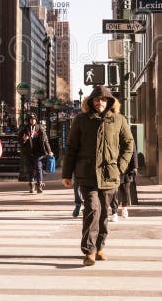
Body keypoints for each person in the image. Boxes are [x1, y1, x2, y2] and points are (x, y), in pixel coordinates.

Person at [62, 85, 134, 267]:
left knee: (103, 213)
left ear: (110, 101)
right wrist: (67, 173)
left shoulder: (119, 120)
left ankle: (100, 246)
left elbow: (129, 145)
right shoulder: (80, 120)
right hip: (86, 174)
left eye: (103, 99)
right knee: (92, 210)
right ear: (90, 101)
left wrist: (120, 167)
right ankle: (89, 250)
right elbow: (71, 148)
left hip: (110, 175)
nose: (99, 102)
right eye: (96, 99)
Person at [18, 113, 53, 193]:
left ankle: (39, 186)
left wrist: (49, 151)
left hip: (38, 152)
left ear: (35, 120)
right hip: (28, 152)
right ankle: (31, 185)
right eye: (31, 119)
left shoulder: (40, 128)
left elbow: (45, 141)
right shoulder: (25, 129)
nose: (32, 120)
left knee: (38, 168)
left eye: (33, 119)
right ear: (29, 120)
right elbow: (19, 141)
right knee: (30, 169)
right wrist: (24, 139)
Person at [110, 141, 139, 220]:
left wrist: (134, 167)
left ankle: (124, 208)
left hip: (126, 168)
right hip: (114, 167)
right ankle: (114, 212)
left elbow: (134, 151)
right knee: (114, 191)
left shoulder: (128, 135)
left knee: (125, 191)